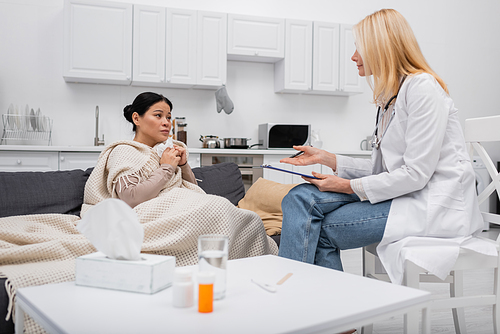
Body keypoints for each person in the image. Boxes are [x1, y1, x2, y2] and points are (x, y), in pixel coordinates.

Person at [278, 8, 494, 285]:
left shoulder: (423, 89)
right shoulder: (390, 98)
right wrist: (329, 158)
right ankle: (317, 311)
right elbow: (386, 169)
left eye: (359, 48)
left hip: (431, 206)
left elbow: (416, 174)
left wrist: (345, 186)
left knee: (315, 227)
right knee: (298, 197)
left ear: (381, 48)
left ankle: (307, 307)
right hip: (403, 195)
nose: (353, 57)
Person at [83, 92, 278, 266]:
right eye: (158, 115)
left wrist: (183, 166)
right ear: (137, 118)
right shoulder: (124, 151)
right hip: (143, 217)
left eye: (168, 117)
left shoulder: (166, 150)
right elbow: (130, 198)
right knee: (219, 208)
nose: (167, 122)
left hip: (177, 209)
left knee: (246, 218)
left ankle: (253, 268)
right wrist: (166, 167)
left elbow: (192, 191)